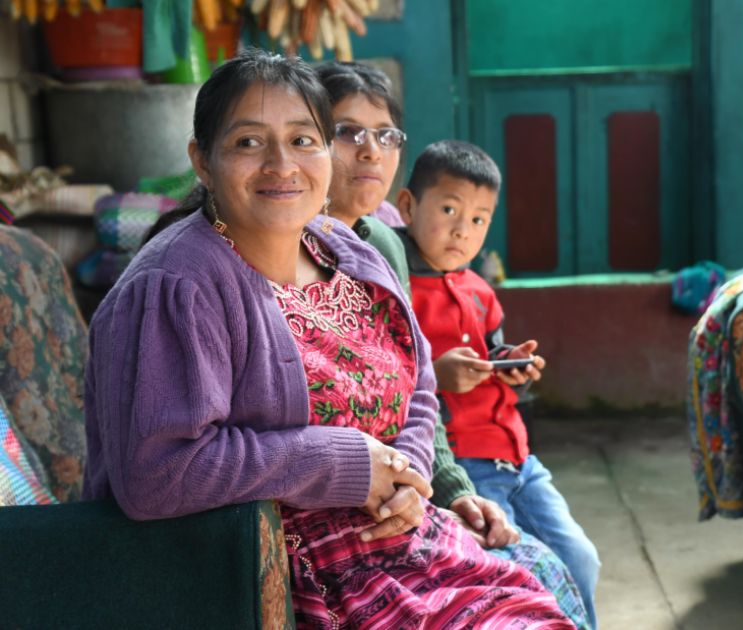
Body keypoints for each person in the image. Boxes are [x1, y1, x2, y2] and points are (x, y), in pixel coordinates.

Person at [82, 49, 575, 629]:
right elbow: (155, 473)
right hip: (278, 578)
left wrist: (409, 477)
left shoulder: (349, 252)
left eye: (302, 140)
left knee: (552, 588)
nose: (280, 165)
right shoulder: (178, 284)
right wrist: (338, 461)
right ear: (202, 161)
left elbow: (416, 379)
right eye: (247, 143)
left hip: (402, 541)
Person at [313, 60, 591, 628]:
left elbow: (412, 387)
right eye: (347, 132)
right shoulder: (272, 254)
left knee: (568, 565)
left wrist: (447, 489)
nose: (370, 151)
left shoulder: (381, 244)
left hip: (450, 473)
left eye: (384, 135)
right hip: (344, 506)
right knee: (525, 576)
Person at [393, 139, 601, 625]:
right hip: (464, 463)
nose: (462, 230)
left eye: (479, 219)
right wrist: (439, 376)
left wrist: (514, 367)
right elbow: (396, 381)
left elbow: (494, 358)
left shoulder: (481, 292)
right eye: (448, 209)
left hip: (520, 459)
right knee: (520, 573)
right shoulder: (399, 289)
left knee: (582, 558)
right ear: (407, 206)